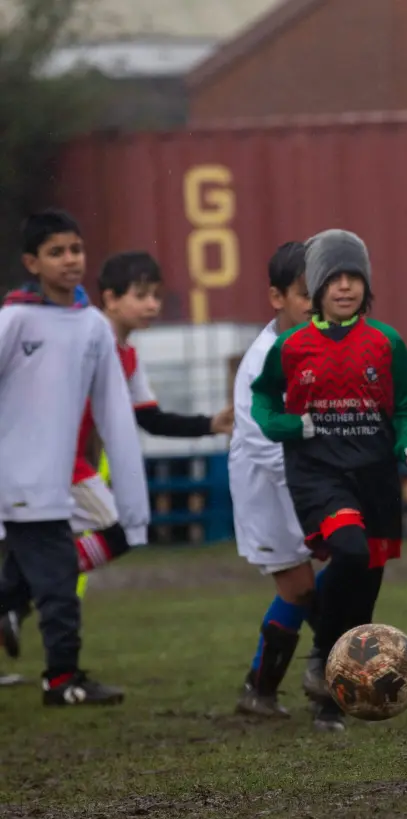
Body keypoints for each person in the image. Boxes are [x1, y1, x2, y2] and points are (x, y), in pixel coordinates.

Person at [0, 251, 233, 647]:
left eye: (156, 296)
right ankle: (25, 599)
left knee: (44, 546)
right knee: (119, 528)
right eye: (141, 295)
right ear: (109, 298)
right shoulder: (83, 337)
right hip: (48, 463)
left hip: (65, 466)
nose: (152, 305)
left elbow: (149, 417)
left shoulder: (126, 354)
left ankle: (18, 599)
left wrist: (209, 423)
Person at [250, 228, 407, 731]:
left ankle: (332, 701)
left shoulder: (386, 343)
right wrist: (287, 425)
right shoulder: (290, 347)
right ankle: (321, 656)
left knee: (364, 593)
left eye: (355, 278)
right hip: (318, 474)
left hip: (374, 478)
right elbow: (262, 401)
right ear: (320, 285)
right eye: (335, 278)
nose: (345, 286)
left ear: (365, 286)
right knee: (348, 551)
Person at [0, 209, 150, 705]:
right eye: (56, 252)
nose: (70, 260)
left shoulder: (91, 326)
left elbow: (113, 411)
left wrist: (132, 495)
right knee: (59, 583)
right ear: (32, 262)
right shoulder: (14, 320)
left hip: (61, 482)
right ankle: (62, 680)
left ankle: (59, 673)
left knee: (55, 576)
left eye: (76, 250)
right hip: (19, 483)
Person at [228, 241, 327, 725]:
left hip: (308, 480)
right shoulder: (261, 361)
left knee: (334, 569)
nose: (316, 303)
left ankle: (319, 668)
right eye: (306, 293)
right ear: (276, 297)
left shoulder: (326, 346)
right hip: (267, 485)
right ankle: (274, 685)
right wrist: (318, 486)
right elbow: (262, 441)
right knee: (299, 586)